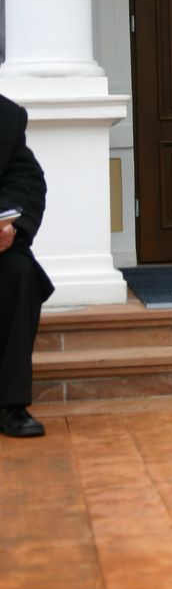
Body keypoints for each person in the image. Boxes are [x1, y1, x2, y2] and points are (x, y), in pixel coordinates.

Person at [0, 93, 52, 438]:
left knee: (19, 271)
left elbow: (26, 181)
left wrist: (11, 228)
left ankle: (10, 405)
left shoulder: (6, 117)